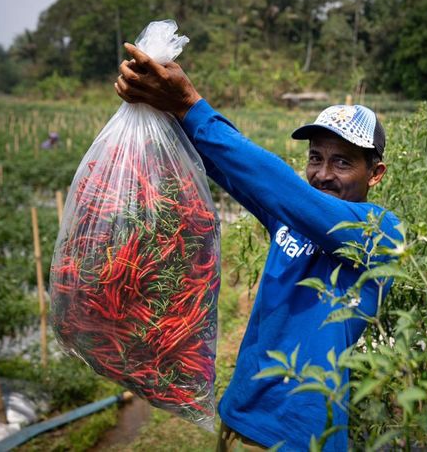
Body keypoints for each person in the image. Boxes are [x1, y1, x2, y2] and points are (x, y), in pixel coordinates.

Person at [114, 42, 401, 451]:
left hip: (301, 437)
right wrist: (169, 112)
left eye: (342, 162)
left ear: (375, 174)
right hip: (237, 416)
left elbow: (282, 188)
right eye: (316, 157)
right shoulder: (291, 216)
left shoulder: (382, 233)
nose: (322, 174)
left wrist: (193, 106)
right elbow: (242, 173)